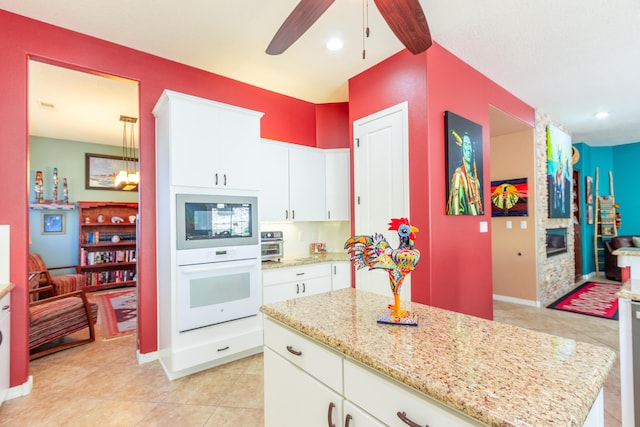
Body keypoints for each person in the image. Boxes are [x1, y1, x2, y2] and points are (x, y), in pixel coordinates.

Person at [446, 131, 483, 215]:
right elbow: (456, 210)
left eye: (470, 145)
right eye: (465, 144)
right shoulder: (459, 176)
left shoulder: (476, 180)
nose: (468, 148)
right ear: (462, 149)